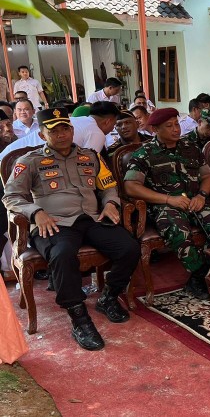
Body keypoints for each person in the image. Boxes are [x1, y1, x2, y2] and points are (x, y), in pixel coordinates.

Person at [3, 108, 139, 350]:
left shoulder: (90, 156)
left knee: (129, 247)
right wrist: (35, 212)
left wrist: (110, 203)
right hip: (53, 223)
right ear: (42, 135)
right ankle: (79, 318)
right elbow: (11, 196)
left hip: (90, 218)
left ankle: (109, 296)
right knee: (63, 255)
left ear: (72, 130)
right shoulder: (29, 161)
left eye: (65, 128)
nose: (61, 134)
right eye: (54, 130)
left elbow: (108, 185)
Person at [124, 108, 210, 299]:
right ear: (155, 129)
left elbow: (207, 176)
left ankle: (208, 272)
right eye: (169, 126)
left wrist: (201, 195)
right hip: (164, 205)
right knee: (178, 230)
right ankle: (199, 274)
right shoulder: (144, 153)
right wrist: (168, 199)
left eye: (176, 124)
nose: (176, 129)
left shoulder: (191, 148)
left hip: (194, 200)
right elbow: (131, 187)